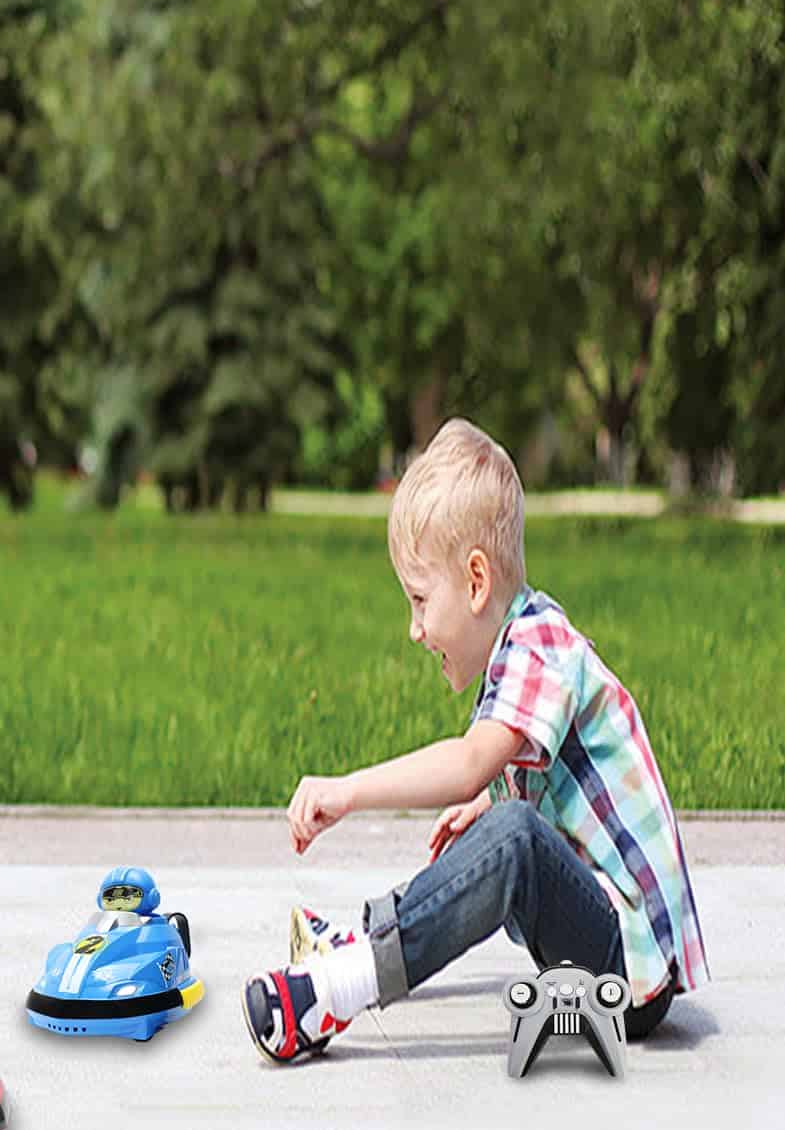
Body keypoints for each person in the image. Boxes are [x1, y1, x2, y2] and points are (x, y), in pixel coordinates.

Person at [241, 417, 708, 1063]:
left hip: (628, 976)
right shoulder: (520, 646)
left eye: (419, 599)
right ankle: (364, 945)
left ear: (476, 581)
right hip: (600, 948)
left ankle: (340, 986)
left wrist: (347, 791)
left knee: (514, 838)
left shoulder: (539, 645)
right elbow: (555, 778)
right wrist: (488, 805)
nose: (414, 629)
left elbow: (468, 762)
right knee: (500, 827)